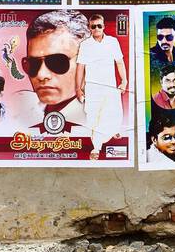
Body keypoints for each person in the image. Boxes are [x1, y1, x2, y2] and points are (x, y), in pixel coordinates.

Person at [17, 9, 94, 140]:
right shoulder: (19, 113)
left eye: (58, 62)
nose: (41, 75)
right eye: (33, 64)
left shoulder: (101, 118)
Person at [75, 12, 128, 158]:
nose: (97, 29)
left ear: (103, 26)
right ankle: (96, 148)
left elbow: (120, 62)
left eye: (99, 26)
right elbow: (80, 68)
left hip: (110, 86)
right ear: (89, 28)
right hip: (92, 88)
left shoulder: (112, 42)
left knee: (113, 113)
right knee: (94, 117)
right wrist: (78, 89)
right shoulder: (85, 45)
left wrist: (124, 81)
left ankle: (112, 130)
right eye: (93, 26)